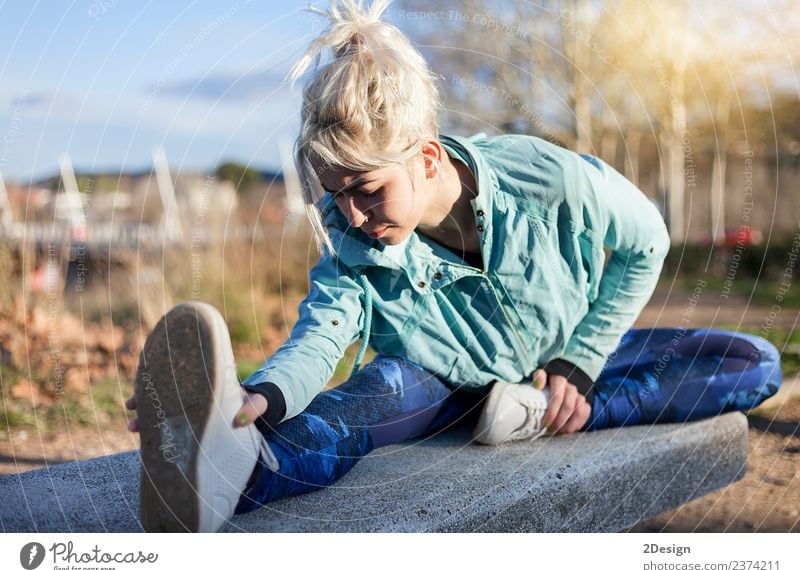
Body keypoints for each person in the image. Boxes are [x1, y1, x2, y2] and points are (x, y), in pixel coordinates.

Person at [125, 0, 783, 532]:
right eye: (335, 195)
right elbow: (320, 335)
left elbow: (647, 243)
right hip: (436, 382)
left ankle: (530, 413)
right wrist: (259, 398)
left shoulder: (548, 178)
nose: (351, 215)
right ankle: (226, 470)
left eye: (366, 189)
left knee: (751, 362)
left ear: (430, 159)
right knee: (366, 400)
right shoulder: (350, 235)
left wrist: (578, 363)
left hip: (558, 367)